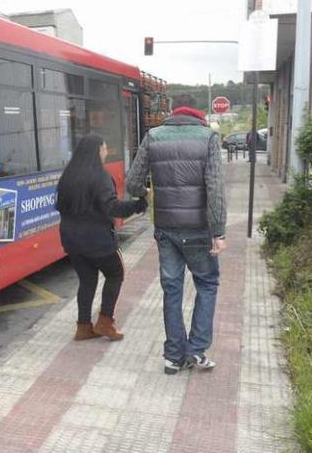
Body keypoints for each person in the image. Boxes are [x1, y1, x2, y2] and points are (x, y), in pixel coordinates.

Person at [127, 106, 227, 374]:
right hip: (198, 229)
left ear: (173, 114)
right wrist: (218, 231)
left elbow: (132, 183)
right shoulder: (208, 138)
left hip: (166, 228)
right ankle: (196, 350)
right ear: (198, 116)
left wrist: (146, 192)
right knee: (206, 284)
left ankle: (173, 357)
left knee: (172, 290)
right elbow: (215, 188)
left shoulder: (153, 136)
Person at [56, 134, 147, 341]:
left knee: (87, 280)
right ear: (97, 151)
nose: (106, 152)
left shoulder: (68, 175)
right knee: (116, 274)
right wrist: (138, 205)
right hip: (98, 240)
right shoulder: (100, 176)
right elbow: (112, 207)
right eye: (105, 148)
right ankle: (105, 322)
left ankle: (83, 327)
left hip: (72, 240)